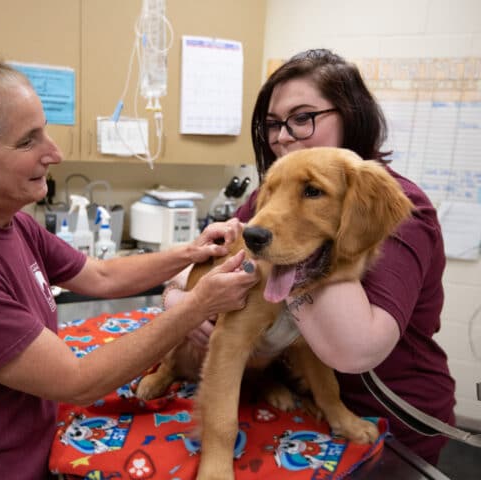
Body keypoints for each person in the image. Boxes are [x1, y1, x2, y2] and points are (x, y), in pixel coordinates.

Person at [0, 56, 260, 480]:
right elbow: (77, 380)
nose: (55, 152)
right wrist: (198, 305)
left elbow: (101, 276)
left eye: (45, 130)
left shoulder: (9, 222)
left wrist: (189, 253)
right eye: (27, 141)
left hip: (31, 455)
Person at [165, 48, 456, 466]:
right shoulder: (276, 193)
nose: (282, 136)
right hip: (299, 413)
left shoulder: (397, 208)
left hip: (394, 422)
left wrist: (292, 266)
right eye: (272, 124)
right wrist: (181, 302)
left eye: (302, 118)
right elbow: (204, 261)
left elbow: (353, 350)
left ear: (352, 115)